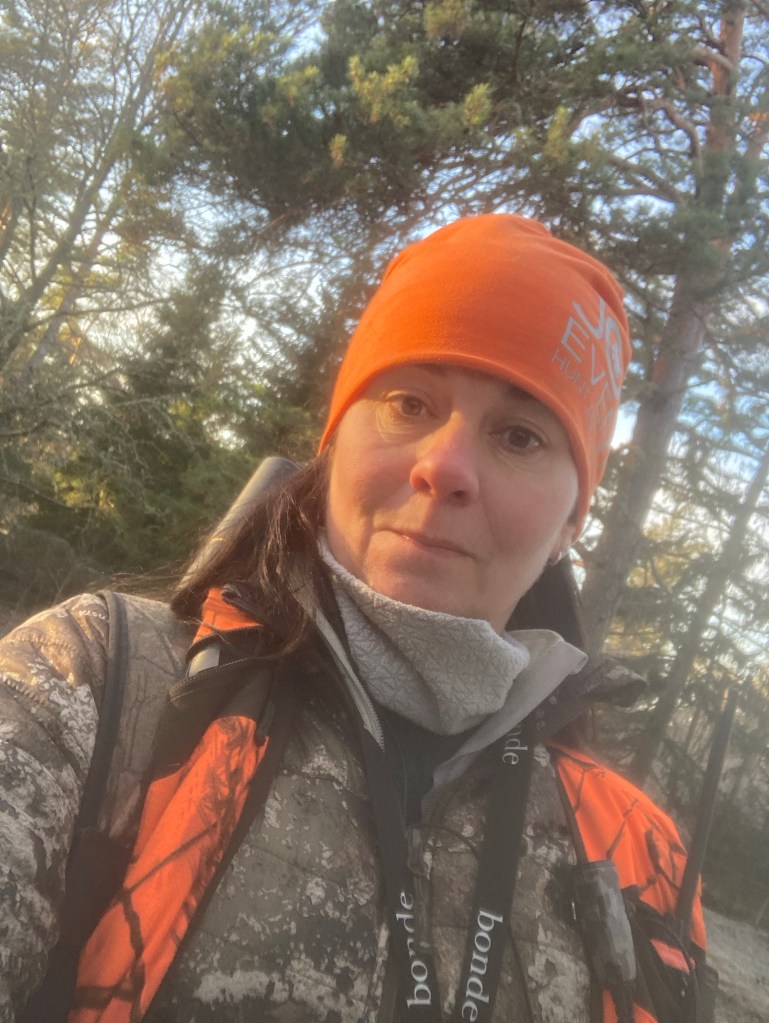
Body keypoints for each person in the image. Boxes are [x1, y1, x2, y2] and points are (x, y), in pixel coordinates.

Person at [0, 215, 710, 1023]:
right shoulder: (96, 682)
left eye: (518, 435)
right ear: (335, 437)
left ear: (571, 522)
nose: (443, 466)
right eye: (409, 402)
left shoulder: (638, 854)